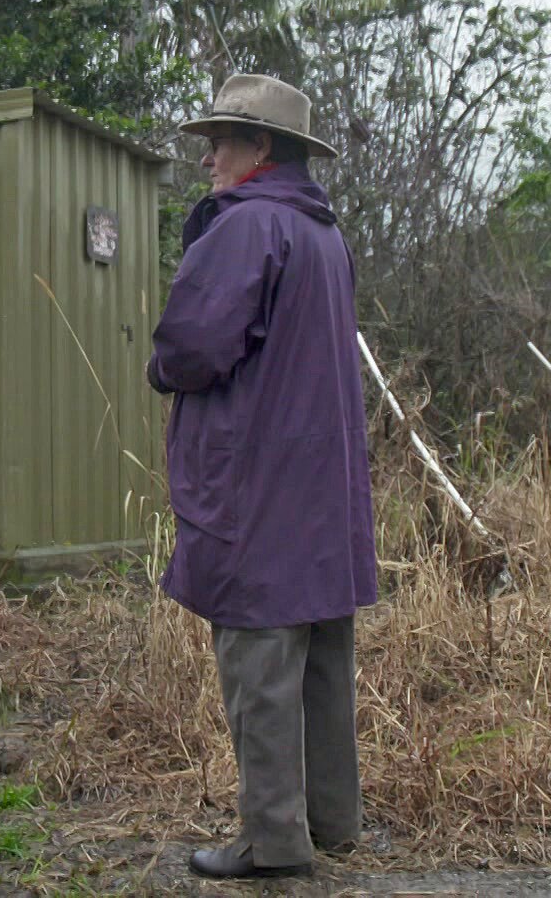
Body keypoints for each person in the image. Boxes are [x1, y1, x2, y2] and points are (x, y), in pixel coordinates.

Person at [146, 74, 378, 880]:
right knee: (320, 659)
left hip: (257, 483)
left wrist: (160, 364)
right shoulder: (324, 233)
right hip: (321, 487)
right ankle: (332, 822)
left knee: (260, 667)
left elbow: (192, 348)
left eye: (221, 140)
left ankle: (274, 844)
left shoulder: (248, 228)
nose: (208, 155)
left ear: (262, 149)